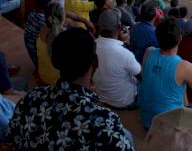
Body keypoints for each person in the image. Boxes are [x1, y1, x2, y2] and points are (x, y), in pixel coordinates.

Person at [6, 28, 134, 150]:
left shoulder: (31, 97)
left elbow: (11, 138)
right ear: (95, 62)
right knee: (126, 135)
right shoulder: (104, 121)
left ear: (55, 61)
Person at [138, 17, 192, 129]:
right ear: (180, 37)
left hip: (146, 119)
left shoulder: (149, 52)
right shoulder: (184, 67)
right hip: (168, 126)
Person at [93, 9, 141, 109]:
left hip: (101, 97)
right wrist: (126, 42)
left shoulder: (91, 45)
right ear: (119, 27)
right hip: (124, 101)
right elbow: (140, 75)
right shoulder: (124, 53)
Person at [24, 0, 56, 66]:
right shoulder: (44, 20)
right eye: (53, 1)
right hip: (39, 57)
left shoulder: (34, 12)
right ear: (48, 5)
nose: (55, 2)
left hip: (32, 52)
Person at [36, 3, 65, 85]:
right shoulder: (61, 36)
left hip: (43, 74)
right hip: (55, 80)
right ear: (62, 18)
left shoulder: (43, 30)